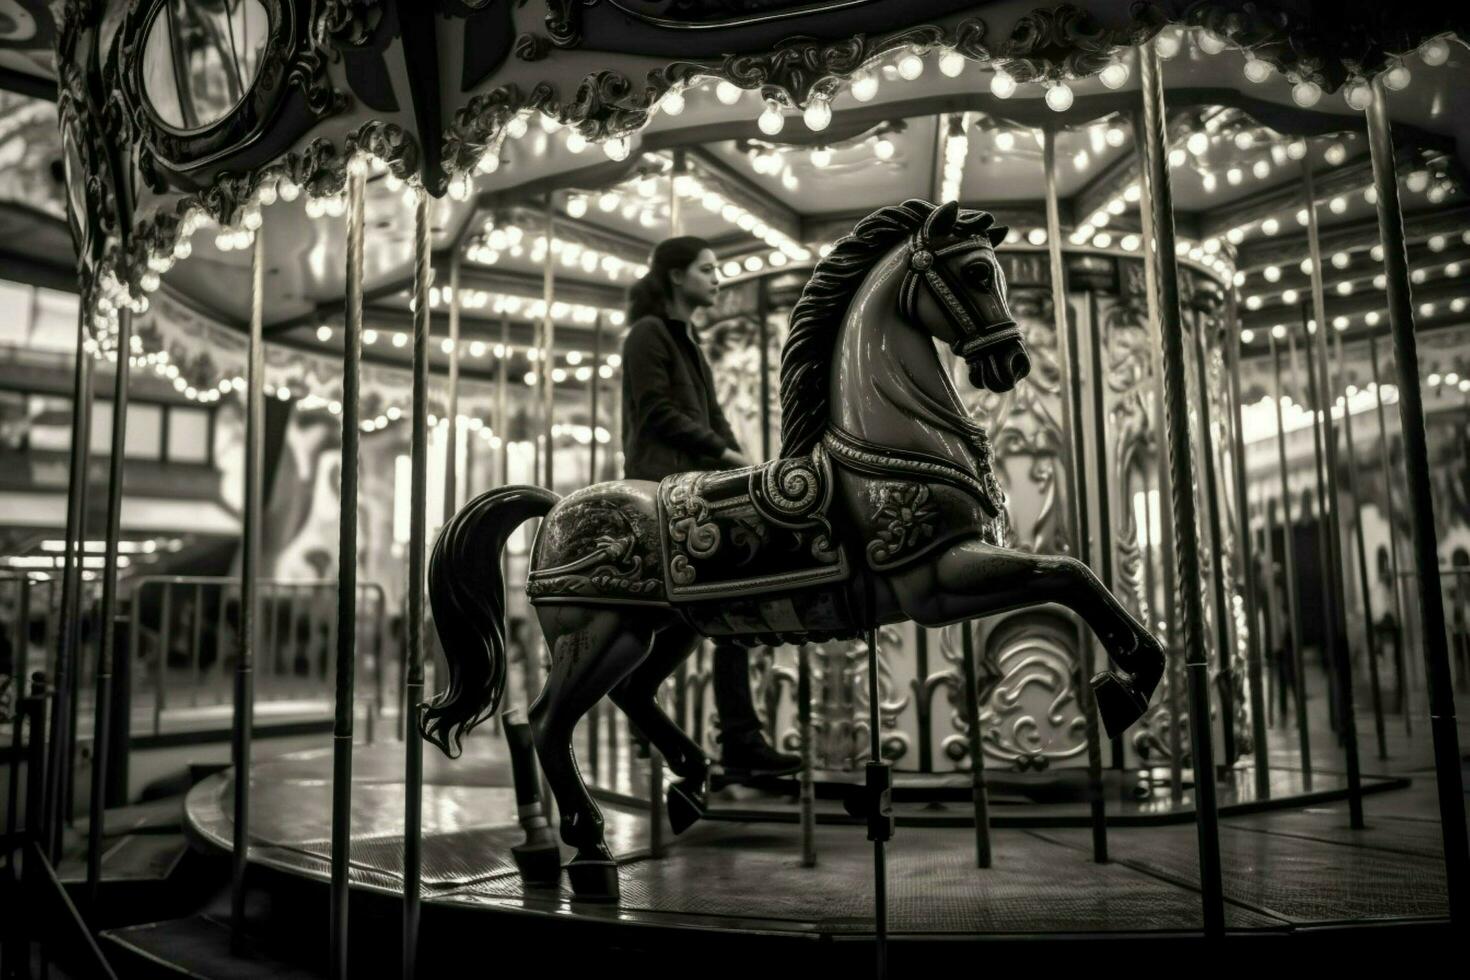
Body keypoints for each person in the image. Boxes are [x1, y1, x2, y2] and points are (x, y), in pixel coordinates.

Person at [620, 235, 800, 776]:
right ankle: (739, 738)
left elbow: (713, 414)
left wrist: (744, 463)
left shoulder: (688, 341)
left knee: (724, 608)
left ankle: (726, 731)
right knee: (730, 600)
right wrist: (723, 451)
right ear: (676, 276)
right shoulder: (648, 335)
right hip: (663, 482)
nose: (717, 278)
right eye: (708, 268)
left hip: (693, 481)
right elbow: (655, 411)